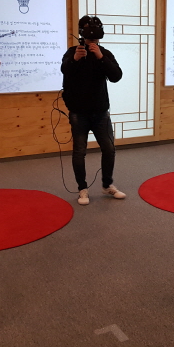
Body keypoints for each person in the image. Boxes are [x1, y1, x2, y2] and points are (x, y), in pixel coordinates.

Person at [61, 15, 125, 206]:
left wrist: (100, 57)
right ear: (81, 32)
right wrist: (75, 59)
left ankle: (107, 185)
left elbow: (116, 76)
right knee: (79, 152)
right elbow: (64, 71)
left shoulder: (104, 53)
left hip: (100, 112)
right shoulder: (72, 52)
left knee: (109, 149)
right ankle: (82, 189)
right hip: (78, 112)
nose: (91, 36)